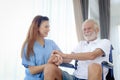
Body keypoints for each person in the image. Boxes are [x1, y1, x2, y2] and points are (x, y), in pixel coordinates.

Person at [44, 19, 111, 80]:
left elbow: (92, 55)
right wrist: (56, 58)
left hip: (93, 77)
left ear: (97, 30)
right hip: (75, 77)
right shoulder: (80, 44)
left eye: (89, 28)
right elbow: (68, 59)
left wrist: (64, 55)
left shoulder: (105, 42)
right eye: (84, 29)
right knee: (49, 68)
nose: (86, 31)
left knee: (94, 66)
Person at [21, 15, 63, 80]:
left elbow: (64, 57)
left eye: (49, 27)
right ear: (37, 28)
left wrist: (58, 58)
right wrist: (50, 65)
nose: (49, 29)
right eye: (46, 27)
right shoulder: (29, 45)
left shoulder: (51, 43)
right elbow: (32, 70)